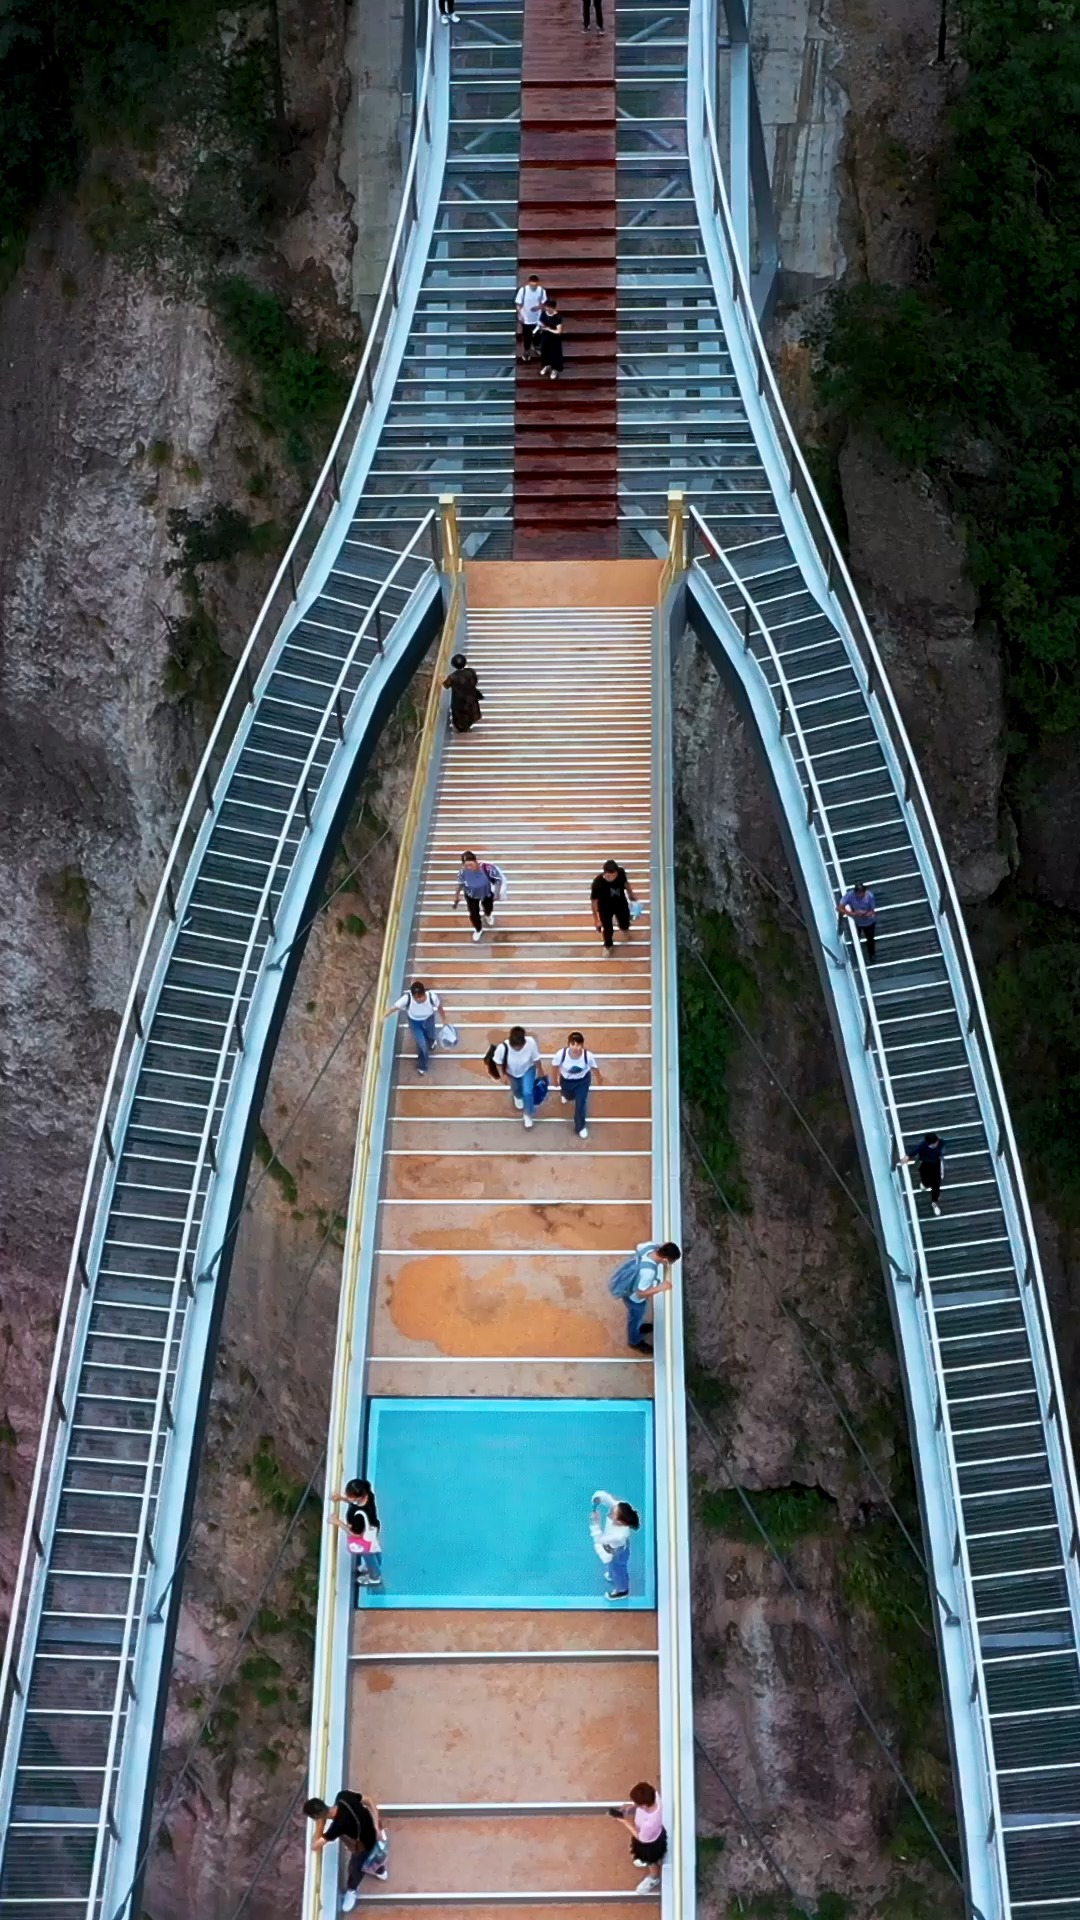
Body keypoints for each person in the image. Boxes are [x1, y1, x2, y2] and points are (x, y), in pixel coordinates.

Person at [304, 1788, 388, 1909]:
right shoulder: (343, 1795)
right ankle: (380, 1870)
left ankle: (352, 1890)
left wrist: (319, 1825)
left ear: (317, 1816)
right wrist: (376, 1826)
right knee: (376, 1855)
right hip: (373, 1832)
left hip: (364, 1845)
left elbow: (315, 1846)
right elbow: (368, 1800)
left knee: (355, 1868)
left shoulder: (337, 1826)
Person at [609, 1241, 681, 1353]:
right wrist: (661, 1287)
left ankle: (638, 1329)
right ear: (665, 1260)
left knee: (636, 1318)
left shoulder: (649, 1246)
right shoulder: (648, 1272)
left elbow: (638, 1246)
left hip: (629, 1288)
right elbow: (640, 1293)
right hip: (634, 1300)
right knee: (635, 1319)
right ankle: (634, 1341)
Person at [609, 1783, 667, 1894]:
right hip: (654, 1835)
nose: (636, 1804)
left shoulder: (649, 1823)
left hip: (650, 1843)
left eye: (637, 1803)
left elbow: (640, 1837)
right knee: (647, 1856)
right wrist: (633, 1806)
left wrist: (625, 1822)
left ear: (644, 1805)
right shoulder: (654, 1795)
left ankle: (654, 1878)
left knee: (650, 1860)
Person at [328, 1478, 383, 1587]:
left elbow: (355, 1534)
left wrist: (337, 1522)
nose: (347, 1497)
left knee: (368, 1554)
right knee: (374, 1548)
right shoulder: (368, 1495)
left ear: (358, 1497)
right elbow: (356, 1502)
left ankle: (375, 1576)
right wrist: (342, 1498)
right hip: (373, 1529)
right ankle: (376, 1563)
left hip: (365, 1537)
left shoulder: (358, 1516)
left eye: (349, 1496)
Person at [384, 979, 445, 1075]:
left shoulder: (432, 997)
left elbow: (440, 1007)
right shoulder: (407, 998)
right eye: (416, 998)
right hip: (415, 1023)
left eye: (420, 997)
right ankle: (422, 1066)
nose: (418, 1000)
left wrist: (444, 1020)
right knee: (422, 1045)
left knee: (431, 1036)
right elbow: (394, 1007)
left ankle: (432, 1041)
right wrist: (383, 1016)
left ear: (424, 993)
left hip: (428, 1019)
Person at [589, 1490, 639, 1601]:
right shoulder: (619, 1508)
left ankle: (622, 1590)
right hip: (612, 1546)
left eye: (613, 1513)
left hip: (618, 1551)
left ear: (619, 1522)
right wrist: (599, 1498)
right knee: (612, 1567)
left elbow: (599, 1539)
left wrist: (595, 1524)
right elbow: (609, 1500)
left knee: (619, 1569)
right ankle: (611, 1575)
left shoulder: (620, 1535)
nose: (611, 1510)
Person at [492, 1025, 543, 1130]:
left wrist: (540, 1070)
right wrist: (503, 1075)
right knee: (516, 1089)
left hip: (528, 1069)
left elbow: (536, 1059)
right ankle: (517, 1096)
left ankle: (528, 1114)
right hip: (511, 1073)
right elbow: (498, 1063)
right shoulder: (502, 1048)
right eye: (515, 1047)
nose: (517, 1049)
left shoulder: (531, 1043)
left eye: (519, 1047)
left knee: (528, 1092)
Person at [552, 1031, 601, 1139]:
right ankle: (565, 1095)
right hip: (566, 1081)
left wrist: (599, 1078)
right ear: (568, 1044)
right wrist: (555, 1079)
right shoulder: (561, 1054)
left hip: (582, 1082)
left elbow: (594, 1068)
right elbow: (555, 1067)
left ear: (582, 1045)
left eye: (578, 1045)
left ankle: (580, 1127)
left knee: (580, 1104)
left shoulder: (588, 1056)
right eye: (573, 1044)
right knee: (568, 1096)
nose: (575, 1047)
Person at [453, 849, 505, 942]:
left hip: (486, 893)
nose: (469, 867)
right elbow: (460, 884)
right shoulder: (462, 873)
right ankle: (478, 929)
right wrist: (456, 896)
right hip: (471, 895)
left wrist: (497, 893)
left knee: (488, 907)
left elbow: (498, 880)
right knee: (474, 914)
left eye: (471, 864)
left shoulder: (487, 868)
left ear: (475, 861)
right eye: (466, 865)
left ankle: (487, 915)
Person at [591, 859, 637, 956]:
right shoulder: (597, 883)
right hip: (605, 908)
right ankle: (608, 946)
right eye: (609, 875)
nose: (612, 877)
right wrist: (596, 920)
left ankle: (625, 929)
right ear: (605, 873)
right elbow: (594, 901)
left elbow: (626, 884)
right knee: (607, 929)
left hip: (620, 904)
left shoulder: (621, 873)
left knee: (625, 921)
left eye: (614, 874)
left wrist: (631, 895)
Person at [900, 1132, 948, 1216]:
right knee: (925, 1179)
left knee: (936, 1185)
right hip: (925, 1165)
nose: (937, 1143)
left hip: (936, 1165)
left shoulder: (941, 1143)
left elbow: (943, 1150)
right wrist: (907, 1157)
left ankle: (934, 1202)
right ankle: (925, 1184)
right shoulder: (923, 1145)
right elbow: (915, 1151)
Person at [837, 880, 877, 964]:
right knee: (855, 938)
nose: (859, 895)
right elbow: (839, 908)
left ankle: (871, 955)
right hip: (856, 922)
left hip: (868, 922)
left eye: (861, 893)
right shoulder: (850, 895)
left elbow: (872, 911)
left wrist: (865, 914)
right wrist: (852, 914)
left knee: (870, 939)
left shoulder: (869, 896)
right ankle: (854, 956)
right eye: (858, 893)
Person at [443, 652, 483, 732]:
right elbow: (475, 681)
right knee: (470, 710)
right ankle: (469, 724)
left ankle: (462, 727)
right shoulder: (470, 672)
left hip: (459, 700)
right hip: (471, 697)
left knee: (460, 714)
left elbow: (446, 685)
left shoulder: (453, 677)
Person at [515, 273, 547, 361]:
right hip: (526, 318)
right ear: (529, 283)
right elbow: (518, 304)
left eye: (535, 285)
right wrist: (520, 315)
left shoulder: (541, 291)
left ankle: (536, 347)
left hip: (537, 318)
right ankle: (526, 350)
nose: (534, 287)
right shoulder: (523, 290)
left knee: (537, 334)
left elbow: (544, 303)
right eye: (532, 285)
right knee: (527, 336)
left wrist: (538, 307)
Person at [537, 297, 564, 380]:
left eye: (548, 307)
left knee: (554, 354)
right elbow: (541, 322)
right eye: (546, 306)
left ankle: (554, 370)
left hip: (554, 339)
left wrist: (548, 329)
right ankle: (546, 365)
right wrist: (541, 327)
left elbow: (558, 331)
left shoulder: (558, 317)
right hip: (545, 337)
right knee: (545, 352)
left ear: (553, 307)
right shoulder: (544, 313)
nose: (547, 308)